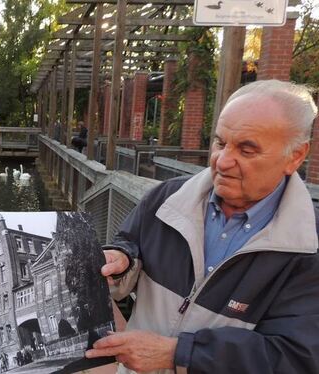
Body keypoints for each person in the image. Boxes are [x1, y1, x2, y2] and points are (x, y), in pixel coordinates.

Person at [85, 80, 319, 373]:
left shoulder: (309, 248)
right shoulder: (166, 198)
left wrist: (179, 355)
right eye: (220, 143)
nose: (222, 161)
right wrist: (120, 261)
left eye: (247, 151)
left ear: (295, 156)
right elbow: (129, 244)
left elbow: (295, 358)